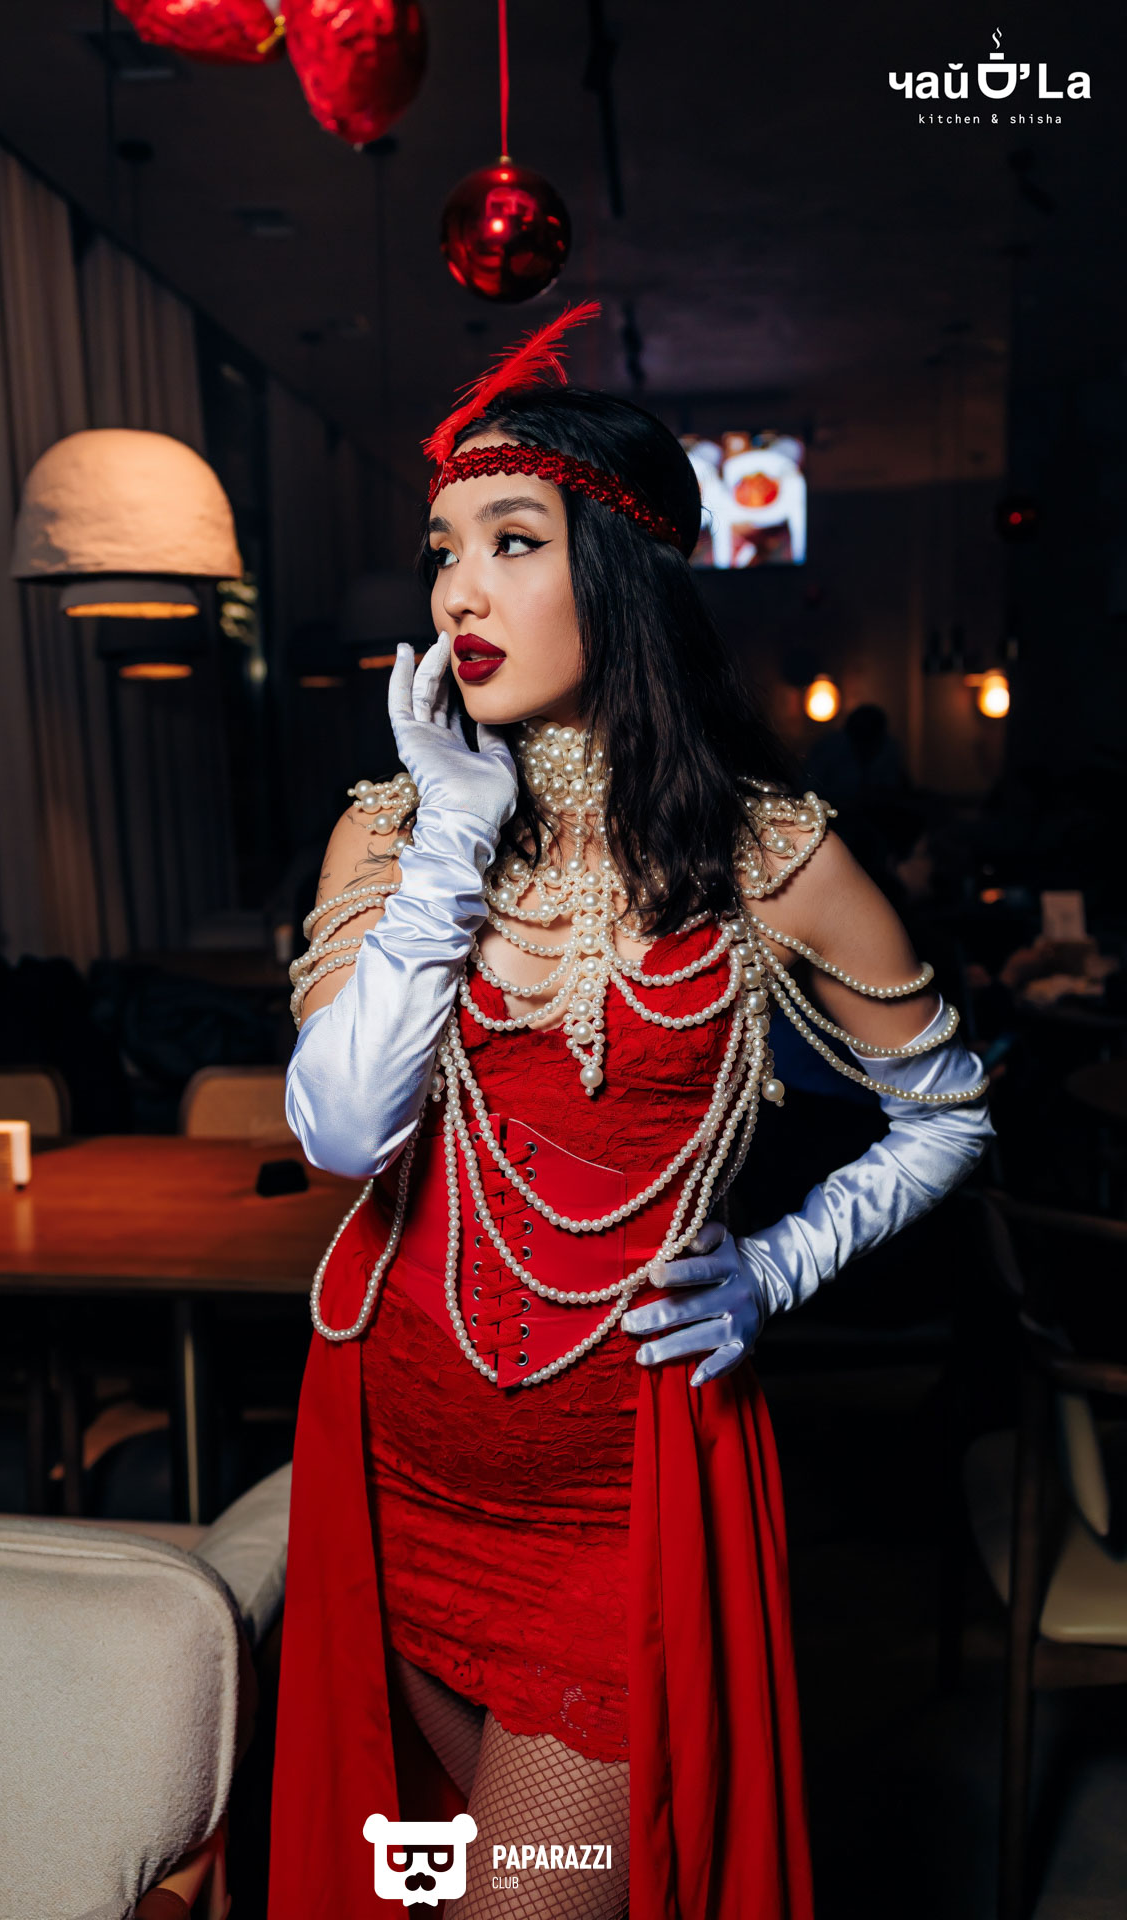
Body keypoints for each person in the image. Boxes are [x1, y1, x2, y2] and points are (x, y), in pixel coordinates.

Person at [268, 306, 992, 1919]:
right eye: (443, 550)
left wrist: (778, 1267)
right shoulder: (390, 836)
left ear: (622, 569)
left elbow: (948, 1114)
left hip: (625, 1506)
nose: (457, 591)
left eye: (511, 541)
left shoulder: (771, 855)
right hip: (395, 1478)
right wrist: (453, 841)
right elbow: (342, 1136)